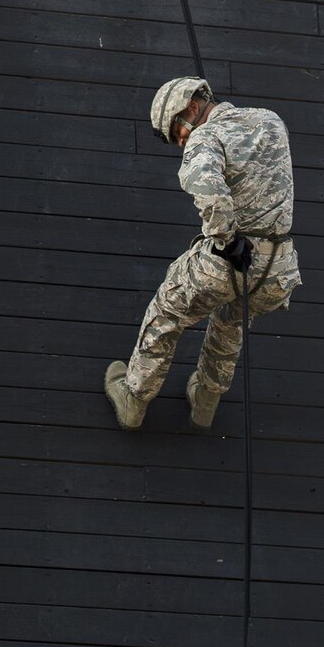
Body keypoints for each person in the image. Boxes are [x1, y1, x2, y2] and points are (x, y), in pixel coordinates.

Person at [104, 76, 301, 431]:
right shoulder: (270, 120)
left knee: (166, 310)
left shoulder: (204, 138)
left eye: (177, 133)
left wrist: (228, 241)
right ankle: (205, 402)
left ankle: (134, 399)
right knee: (231, 323)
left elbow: (208, 191)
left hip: (230, 258)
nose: (181, 143)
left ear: (192, 108)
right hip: (278, 269)